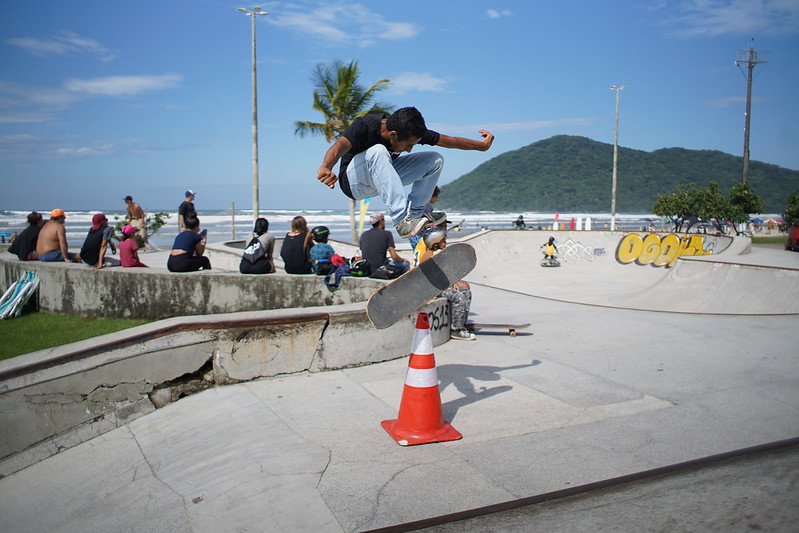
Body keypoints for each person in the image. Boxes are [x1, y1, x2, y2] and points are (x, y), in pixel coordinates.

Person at [316, 106, 494, 238]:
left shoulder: (408, 129)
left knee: (435, 159)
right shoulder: (365, 125)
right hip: (353, 182)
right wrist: (326, 166)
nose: (409, 150)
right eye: (408, 145)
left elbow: (451, 141)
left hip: (381, 180)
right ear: (393, 134)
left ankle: (415, 215)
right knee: (378, 151)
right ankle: (401, 220)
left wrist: (482, 146)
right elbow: (340, 145)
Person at [412, 227, 475, 341]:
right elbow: (429, 275)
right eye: (443, 241)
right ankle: (456, 330)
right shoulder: (428, 256)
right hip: (432, 289)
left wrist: (453, 281)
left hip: (440, 286)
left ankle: (460, 324)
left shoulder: (437, 253)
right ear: (434, 243)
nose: (445, 243)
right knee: (458, 297)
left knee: (466, 293)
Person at [360, 212, 409, 278]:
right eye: (384, 221)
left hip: (367, 268)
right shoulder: (387, 234)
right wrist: (403, 260)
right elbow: (394, 256)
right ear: (381, 221)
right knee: (405, 264)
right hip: (381, 268)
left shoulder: (364, 234)